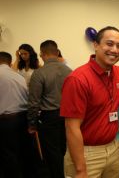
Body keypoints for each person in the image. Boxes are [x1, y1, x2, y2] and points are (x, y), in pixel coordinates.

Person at [61, 26, 119, 178]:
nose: (114, 50)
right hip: (87, 154)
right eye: (109, 44)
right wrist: (80, 169)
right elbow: (71, 128)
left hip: (113, 149)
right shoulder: (78, 79)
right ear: (95, 45)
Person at [27, 40, 72, 178]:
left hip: (49, 117)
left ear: (42, 54)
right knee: (64, 149)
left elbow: (34, 102)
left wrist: (32, 124)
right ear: (57, 52)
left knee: (52, 153)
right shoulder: (69, 71)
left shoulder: (39, 73)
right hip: (68, 115)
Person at [0, 51, 35, 178]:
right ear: (9, 63)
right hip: (23, 118)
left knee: (9, 155)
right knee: (24, 152)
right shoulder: (19, 76)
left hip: (6, 121)